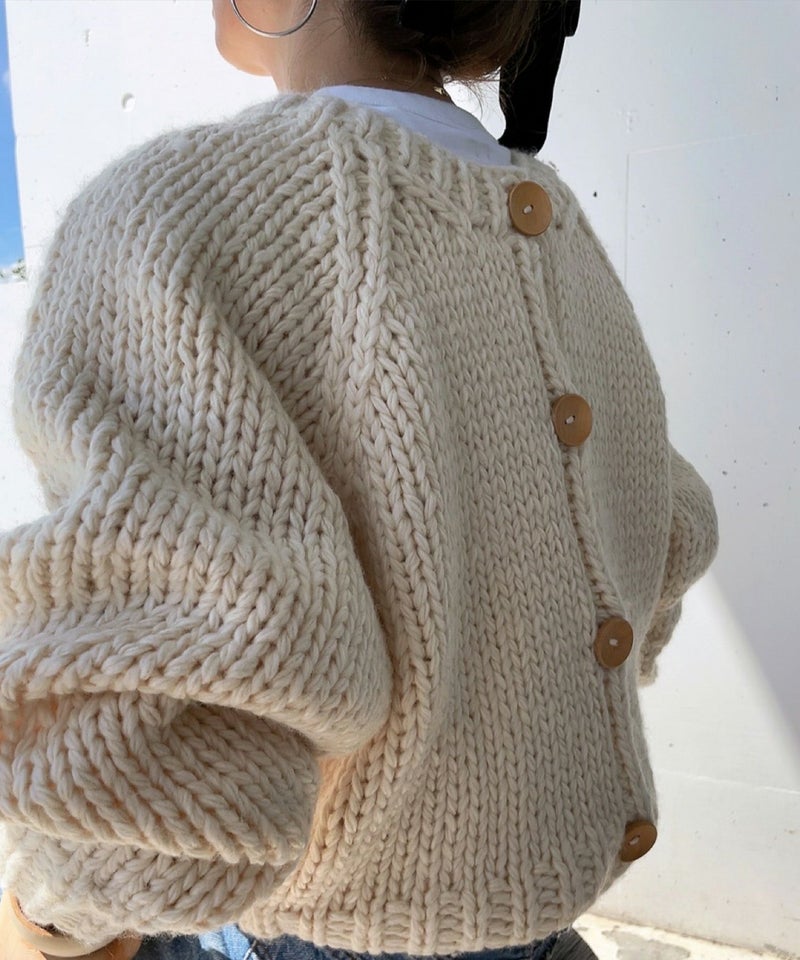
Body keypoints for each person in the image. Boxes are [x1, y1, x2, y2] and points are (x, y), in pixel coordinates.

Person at [0, 2, 719, 960]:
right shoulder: (553, 231)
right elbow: (659, 536)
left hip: (318, 922)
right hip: (536, 918)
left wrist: (50, 917)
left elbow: (179, 707)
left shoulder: (177, 216)